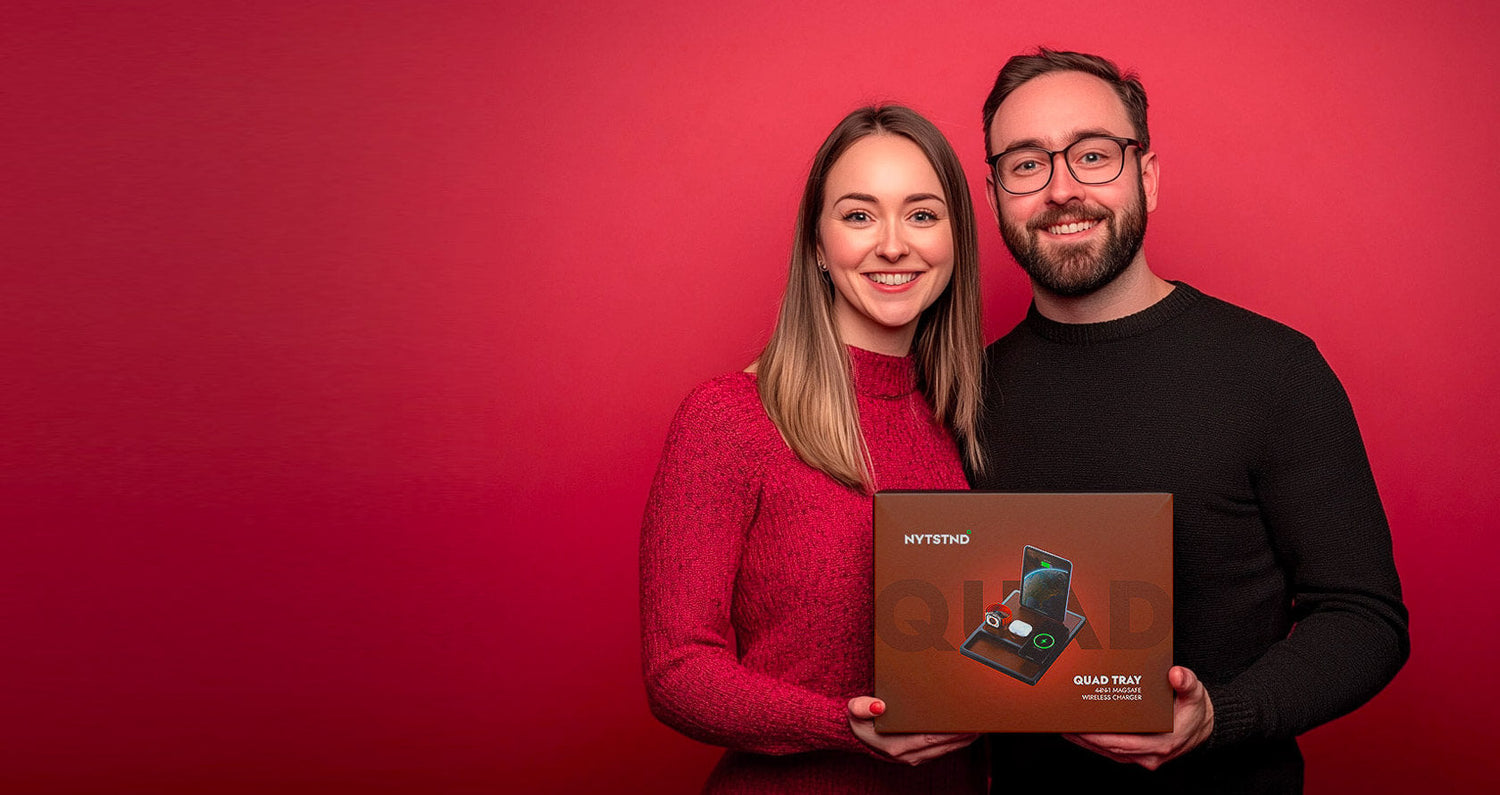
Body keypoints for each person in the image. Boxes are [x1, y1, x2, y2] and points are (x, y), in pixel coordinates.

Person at [968, 48, 1409, 793]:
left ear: (1148, 175)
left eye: (1094, 154)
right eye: (1026, 164)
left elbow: (1365, 618)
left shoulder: (1275, 370)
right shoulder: (964, 390)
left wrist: (1221, 714)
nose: (1062, 188)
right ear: (994, 194)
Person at [639, 105, 989, 793]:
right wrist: (841, 724)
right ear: (818, 247)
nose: (894, 245)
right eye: (860, 216)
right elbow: (676, 668)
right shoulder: (729, 418)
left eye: (922, 214)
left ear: (956, 242)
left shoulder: (966, 421)